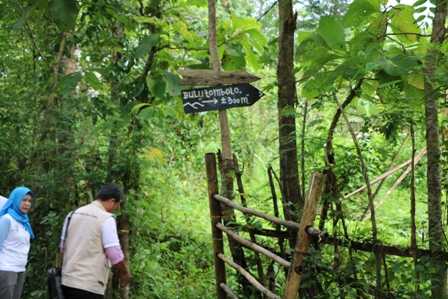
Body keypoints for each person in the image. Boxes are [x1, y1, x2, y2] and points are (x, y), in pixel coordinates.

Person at [60, 183, 130, 299]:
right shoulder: (106, 219)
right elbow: (114, 253)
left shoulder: (72, 214)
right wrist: (124, 273)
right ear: (112, 201)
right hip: (89, 285)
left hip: (67, 281)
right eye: (118, 205)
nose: (117, 208)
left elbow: (62, 247)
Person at [0, 186, 34, 299]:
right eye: (23, 200)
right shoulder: (7, 219)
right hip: (6, 268)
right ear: (15, 200)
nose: (27, 204)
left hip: (20, 269)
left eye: (29, 201)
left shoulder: (24, 221)